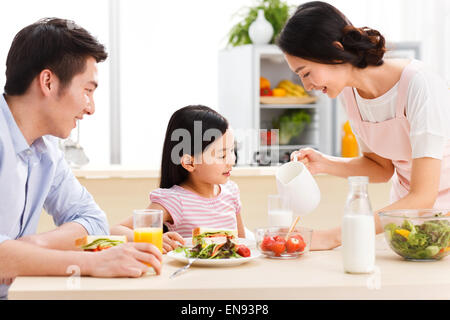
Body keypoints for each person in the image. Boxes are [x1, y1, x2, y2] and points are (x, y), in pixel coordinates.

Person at [0, 18, 163, 299]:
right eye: (87, 90)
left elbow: (91, 219)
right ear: (48, 82)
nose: (91, 108)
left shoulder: (46, 149)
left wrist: (33, 245)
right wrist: (91, 262)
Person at [276, 1, 450, 250]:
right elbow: (381, 168)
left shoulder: (420, 85)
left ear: (334, 52)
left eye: (306, 73)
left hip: (442, 224)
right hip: (406, 225)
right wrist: (324, 163)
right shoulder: (351, 95)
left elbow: (423, 195)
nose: (307, 86)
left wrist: (334, 237)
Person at [111, 105, 247, 249]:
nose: (231, 160)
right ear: (189, 162)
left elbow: (243, 244)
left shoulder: (231, 191)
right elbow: (115, 231)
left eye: (232, 150)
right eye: (222, 155)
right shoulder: (174, 200)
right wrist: (154, 239)